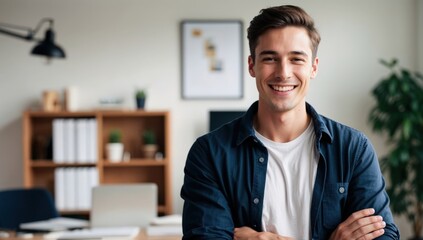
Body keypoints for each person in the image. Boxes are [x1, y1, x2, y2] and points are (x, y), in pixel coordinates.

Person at [180, 5, 400, 240]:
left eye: (296, 59)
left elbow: (383, 236)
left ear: (313, 67)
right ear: (252, 65)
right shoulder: (209, 154)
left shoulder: (353, 149)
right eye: (270, 58)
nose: (283, 72)